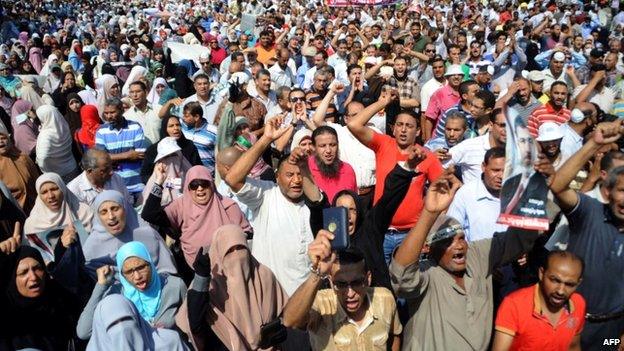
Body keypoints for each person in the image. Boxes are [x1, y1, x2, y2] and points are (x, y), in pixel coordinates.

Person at [389, 171, 544, 350]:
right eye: (447, 241)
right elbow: (401, 275)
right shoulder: (427, 274)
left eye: (461, 238)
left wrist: (540, 186)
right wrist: (429, 213)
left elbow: (521, 237)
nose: (459, 246)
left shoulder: (477, 256)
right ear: (428, 249)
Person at [548, 120, 624, 349]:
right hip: (567, 322)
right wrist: (593, 144)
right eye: (622, 190)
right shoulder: (589, 211)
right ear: (608, 191)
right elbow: (558, 185)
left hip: (610, 332)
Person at [224, 117, 315, 295]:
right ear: (277, 176)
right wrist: (266, 139)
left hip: (307, 300)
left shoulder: (315, 204)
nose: (296, 180)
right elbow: (232, 179)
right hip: (270, 297)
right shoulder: (266, 195)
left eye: (300, 175)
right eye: (289, 175)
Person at [175, 225, 288, 351]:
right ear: (218, 253)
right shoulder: (210, 284)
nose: (236, 255)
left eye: (240, 248)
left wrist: (279, 331)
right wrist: (201, 279)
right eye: (229, 251)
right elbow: (195, 324)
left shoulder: (264, 276)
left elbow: (285, 315)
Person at [283, 245, 402, 351]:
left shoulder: (384, 299)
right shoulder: (321, 304)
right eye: (341, 284)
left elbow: (395, 335)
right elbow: (290, 320)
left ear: (368, 279)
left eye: (357, 282)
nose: (350, 293)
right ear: (330, 282)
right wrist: (317, 273)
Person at [142, 165, 251, 268]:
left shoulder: (228, 206)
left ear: (212, 185)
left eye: (204, 184)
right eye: (194, 185)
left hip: (229, 267)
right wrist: (159, 182)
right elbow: (149, 214)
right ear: (188, 188)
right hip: (192, 268)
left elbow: (247, 234)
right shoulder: (181, 205)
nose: (199, 188)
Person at [77, 241, 186, 339]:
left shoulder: (174, 286)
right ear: (122, 274)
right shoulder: (117, 296)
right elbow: (84, 332)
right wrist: (101, 286)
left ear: (150, 264)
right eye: (129, 272)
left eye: (141, 267)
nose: (137, 276)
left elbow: (192, 326)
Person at [492, 251, 585, 351]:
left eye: (569, 284)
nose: (561, 291)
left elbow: (573, 346)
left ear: (578, 283)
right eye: (555, 280)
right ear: (541, 273)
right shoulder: (514, 305)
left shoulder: (578, 303)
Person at [0, 245, 82, 350]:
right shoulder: (6, 313)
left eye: (37, 268)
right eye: (23, 272)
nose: (33, 277)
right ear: (12, 279)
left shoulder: (61, 299)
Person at [83, 190, 176, 278]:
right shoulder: (91, 247)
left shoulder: (148, 234)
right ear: (98, 217)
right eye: (104, 212)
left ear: (125, 209)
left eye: (115, 209)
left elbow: (167, 270)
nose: (111, 216)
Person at [447, 147, 508, 241]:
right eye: (495, 170)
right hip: (476, 254)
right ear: (483, 167)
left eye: (506, 171)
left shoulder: (518, 194)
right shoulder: (466, 194)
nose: (501, 176)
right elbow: (451, 231)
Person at [87, 294, 189, 351]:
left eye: (127, 320)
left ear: (137, 318)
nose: (122, 328)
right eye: (113, 325)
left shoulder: (169, 342)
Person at [95, 97, 147, 202]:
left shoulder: (135, 127)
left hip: (137, 184)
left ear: (122, 110)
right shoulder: (101, 131)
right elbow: (101, 159)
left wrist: (111, 158)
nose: (109, 116)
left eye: (112, 112)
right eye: (106, 113)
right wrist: (128, 155)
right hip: (114, 186)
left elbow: (140, 154)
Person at [446, 107, 507, 184]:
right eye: (502, 125)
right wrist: (458, 185)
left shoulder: (517, 150)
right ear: (491, 125)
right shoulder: (470, 146)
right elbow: (438, 165)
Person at [141, 115, 202, 183]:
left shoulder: (189, 146)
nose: (176, 128)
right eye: (171, 126)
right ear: (165, 129)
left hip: (189, 186)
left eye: (178, 125)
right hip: (163, 188)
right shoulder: (154, 150)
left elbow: (198, 168)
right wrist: (164, 184)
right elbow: (145, 175)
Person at [307, 126, 357, 202]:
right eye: (322, 146)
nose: (328, 150)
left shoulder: (347, 169)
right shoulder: (306, 170)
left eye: (332, 145)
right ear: (314, 147)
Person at [140, 137, 192, 207]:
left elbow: (185, 183)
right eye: (166, 157)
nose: (171, 160)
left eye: (173, 155)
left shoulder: (187, 170)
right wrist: (161, 180)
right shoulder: (157, 177)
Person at [35, 104, 80, 183]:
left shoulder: (45, 135)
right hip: (72, 167)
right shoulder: (63, 125)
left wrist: (47, 172)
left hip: (59, 174)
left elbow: (42, 158)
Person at [0, 124, 39, 214]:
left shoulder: (23, 157)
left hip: (37, 207)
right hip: (17, 213)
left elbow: (37, 179)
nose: (1, 141)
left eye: (3, 138)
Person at [180, 101, 218, 173]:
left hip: (208, 174)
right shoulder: (182, 127)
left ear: (197, 117)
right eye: (183, 115)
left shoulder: (213, 131)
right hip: (188, 174)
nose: (184, 118)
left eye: (187, 116)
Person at [124, 81, 162, 145]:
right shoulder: (126, 116)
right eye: (132, 92)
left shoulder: (159, 109)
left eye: (138, 91)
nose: (135, 95)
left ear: (145, 92)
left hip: (161, 152)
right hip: (140, 153)